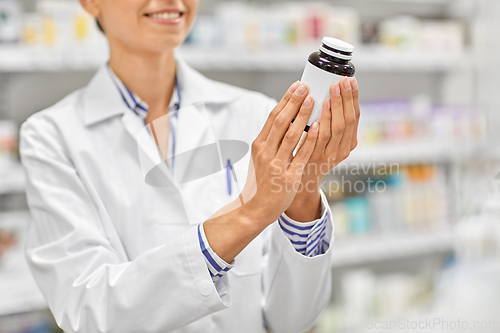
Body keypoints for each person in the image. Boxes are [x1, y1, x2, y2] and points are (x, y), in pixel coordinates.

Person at [19, 0, 360, 332]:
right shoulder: (52, 137)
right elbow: (90, 313)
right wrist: (249, 214)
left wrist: (303, 193)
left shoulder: (256, 114)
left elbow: (291, 322)